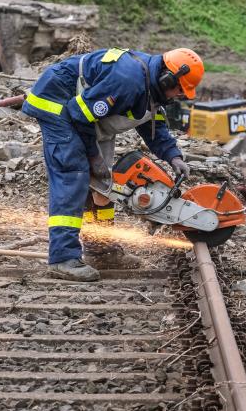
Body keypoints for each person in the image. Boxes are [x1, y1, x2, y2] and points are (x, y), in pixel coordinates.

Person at [22, 47, 203, 282]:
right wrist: (92, 158)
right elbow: (78, 114)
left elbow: (153, 126)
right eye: (178, 90)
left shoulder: (152, 86)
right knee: (75, 175)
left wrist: (173, 156)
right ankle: (62, 258)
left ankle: (102, 250)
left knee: (103, 183)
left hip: (84, 117)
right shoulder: (128, 80)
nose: (176, 96)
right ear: (168, 77)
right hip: (58, 104)